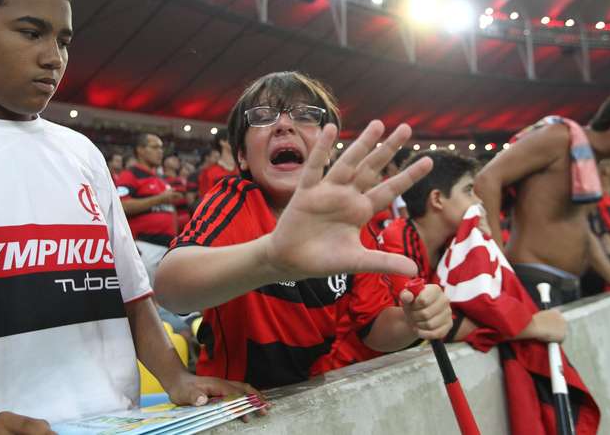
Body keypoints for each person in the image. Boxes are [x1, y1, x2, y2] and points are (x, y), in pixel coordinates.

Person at [0, 0, 257, 434]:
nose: (52, 57)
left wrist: (177, 377)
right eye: (30, 32)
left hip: (115, 423)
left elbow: (132, 295)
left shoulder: (81, 153)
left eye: (63, 40)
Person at [154, 71, 451, 388]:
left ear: (331, 150)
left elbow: (375, 330)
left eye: (307, 115)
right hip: (240, 407)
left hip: (312, 398)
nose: (283, 124)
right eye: (263, 117)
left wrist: (411, 321)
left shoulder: (349, 222)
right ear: (241, 156)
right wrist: (269, 259)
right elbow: (170, 290)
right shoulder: (235, 201)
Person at [404, 150, 599, 435]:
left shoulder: (451, 248)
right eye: (469, 191)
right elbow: (432, 324)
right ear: (437, 199)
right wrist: (531, 326)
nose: (479, 202)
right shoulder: (397, 244)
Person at [475, 87, 610, 304]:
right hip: (537, 279)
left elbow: (581, 229)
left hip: (565, 282)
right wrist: (498, 264)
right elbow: (487, 179)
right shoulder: (559, 137)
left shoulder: (586, 161)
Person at [116, 133, 182, 281]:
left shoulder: (160, 179)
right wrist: (160, 199)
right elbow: (123, 205)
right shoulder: (130, 174)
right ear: (140, 150)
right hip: (144, 246)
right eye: (155, 147)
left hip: (167, 247)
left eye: (161, 148)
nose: (160, 151)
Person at [196, 129, 237, 196]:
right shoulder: (208, 172)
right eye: (232, 138)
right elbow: (205, 199)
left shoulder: (244, 169)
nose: (236, 141)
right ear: (222, 142)